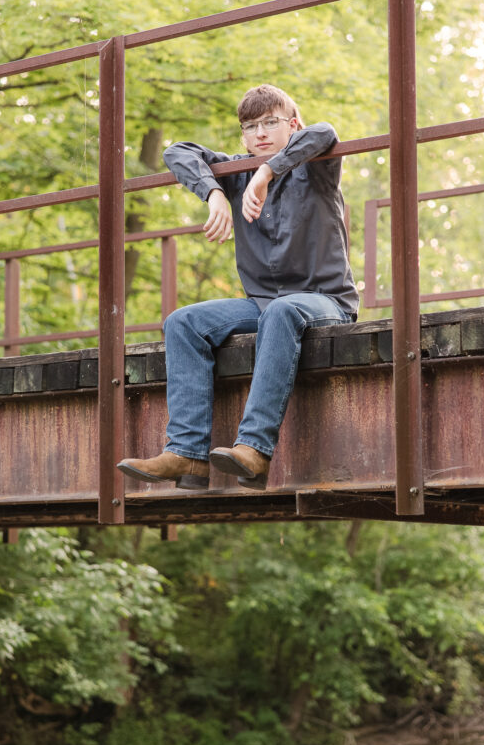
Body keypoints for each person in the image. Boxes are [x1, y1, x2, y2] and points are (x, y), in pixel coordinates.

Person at [117, 84, 359, 491]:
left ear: (292, 124)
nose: (260, 133)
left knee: (284, 311)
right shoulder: (234, 172)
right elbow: (178, 151)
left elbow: (325, 132)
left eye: (270, 123)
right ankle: (187, 455)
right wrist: (213, 192)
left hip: (326, 301)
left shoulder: (315, 167)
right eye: (250, 126)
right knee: (183, 322)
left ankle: (254, 449)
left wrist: (265, 172)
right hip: (264, 304)